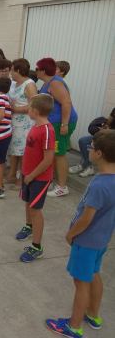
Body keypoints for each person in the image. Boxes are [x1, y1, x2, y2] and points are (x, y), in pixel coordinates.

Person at [46, 129, 115, 338]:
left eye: (91, 147)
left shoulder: (99, 184)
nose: (88, 149)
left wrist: (71, 234)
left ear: (100, 153)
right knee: (94, 274)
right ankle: (93, 314)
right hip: (102, 240)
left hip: (86, 240)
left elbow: (87, 218)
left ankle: (74, 326)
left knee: (81, 283)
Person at [16, 94, 55, 263]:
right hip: (28, 175)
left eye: (29, 108)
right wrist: (23, 171)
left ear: (35, 111)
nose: (27, 110)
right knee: (28, 203)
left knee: (35, 210)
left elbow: (48, 159)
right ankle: (28, 226)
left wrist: (32, 175)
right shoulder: (35, 126)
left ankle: (36, 246)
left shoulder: (47, 130)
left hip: (39, 178)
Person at [36, 58, 78, 198]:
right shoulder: (47, 83)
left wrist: (64, 124)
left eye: (37, 68)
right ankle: (55, 181)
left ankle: (62, 187)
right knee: (52, 152)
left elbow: (66, 103)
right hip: (53, 122)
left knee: (59, 153)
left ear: (43, 70)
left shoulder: (55, 83)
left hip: (61, 123)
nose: (36, 71)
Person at [6, 59, 38, 188]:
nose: (10, 73)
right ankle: (12, 174)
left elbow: (34, 105)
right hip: (14, 122)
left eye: (12, 70)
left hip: (25, 123)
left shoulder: (29, 85)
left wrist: (15, 109)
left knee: (24, 152)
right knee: (14, 150)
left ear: (18, 70)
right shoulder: (14, 84)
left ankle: (22, 178)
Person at [69, 108, 115, 178]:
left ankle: (85, 165)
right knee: (84, 141)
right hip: (107, 136)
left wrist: (109, 132)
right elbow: (109, 120)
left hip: (112, 138)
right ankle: (87, 166)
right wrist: (104, 127)